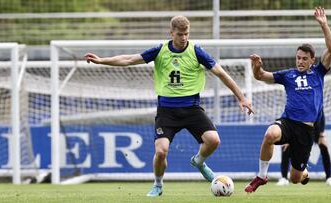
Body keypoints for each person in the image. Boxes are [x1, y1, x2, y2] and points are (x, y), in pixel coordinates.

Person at [85, 15, 254, 197]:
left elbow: (221, 73)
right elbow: (129, 59)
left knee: (214, 140)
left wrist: (242, 97)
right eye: (180, 34)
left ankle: (198, 162)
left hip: (191, 108)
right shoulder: (160, 50)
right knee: (161, 151)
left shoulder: (197, 52)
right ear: (171, 32)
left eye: (186, 34)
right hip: (167, 111)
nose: (184, 38)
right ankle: (158, 185)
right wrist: (102, 60)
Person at [244, 6, 331, 193]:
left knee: (295, 178)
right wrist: (256, 67)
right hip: (288, 122)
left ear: (312, 60)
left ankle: (304, 172)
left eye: (304, 59)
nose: (300, 61)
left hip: (306, 130)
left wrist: (324, 25)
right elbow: (260, 76)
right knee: (270, 134)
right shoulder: (288, 75)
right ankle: (262, 175)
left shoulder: (319, 72)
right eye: (298, 58)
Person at [276, 110, 331, 186]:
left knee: (323, 146)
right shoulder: (297, 102)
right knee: (286, 147)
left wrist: (321, 134)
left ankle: (329, 177)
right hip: (299, 128)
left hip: (314, 128)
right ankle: (284, 178)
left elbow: (321, 113)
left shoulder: (316, 100)